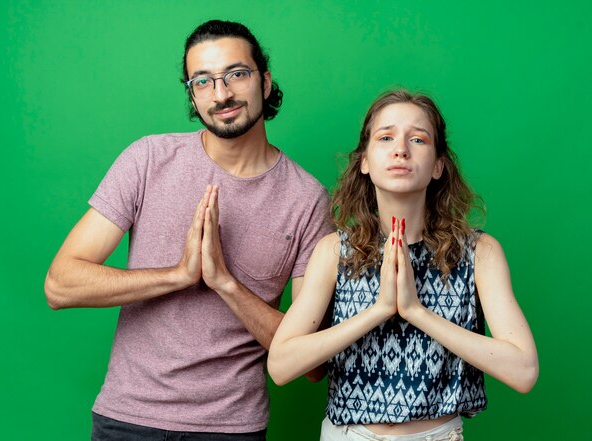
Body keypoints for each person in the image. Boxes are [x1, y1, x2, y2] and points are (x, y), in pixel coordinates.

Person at [45, 19, 333, 440]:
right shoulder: (148, 159)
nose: (222, 94)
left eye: (236, 74)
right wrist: (177, 275)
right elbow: (60, 285)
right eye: (203, 81)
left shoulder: (307, 199)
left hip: (231, 428)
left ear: (265, 82)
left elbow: (312, 363)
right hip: (127, 419)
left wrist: (225, 284)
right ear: (192, 95)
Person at [268, 90, 539, 440]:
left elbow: (524, 370)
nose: (401, 149)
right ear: (364, 160)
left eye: (418, 139)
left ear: (439, 164)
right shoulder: (335, 251)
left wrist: (416, 311)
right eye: (385, 137)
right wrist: (380, 309)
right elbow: (280, 365)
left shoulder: (479, 252)